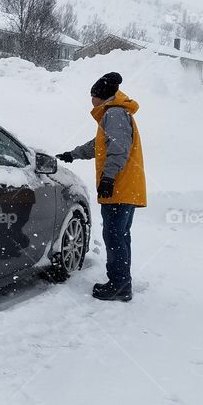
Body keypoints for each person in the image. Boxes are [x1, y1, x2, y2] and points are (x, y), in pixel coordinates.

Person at [57, 72, 147, 302]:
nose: (91, 100)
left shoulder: (115, 113)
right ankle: (121, 283)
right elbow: (99, 145)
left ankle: (119, 285)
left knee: (115, 236)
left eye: (92, 96)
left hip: (119, 187)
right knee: (120, 236)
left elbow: (118, 148)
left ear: (100, 96)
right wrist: (73, 154)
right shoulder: (116, 113)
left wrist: (108, 178)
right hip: (126, 187)